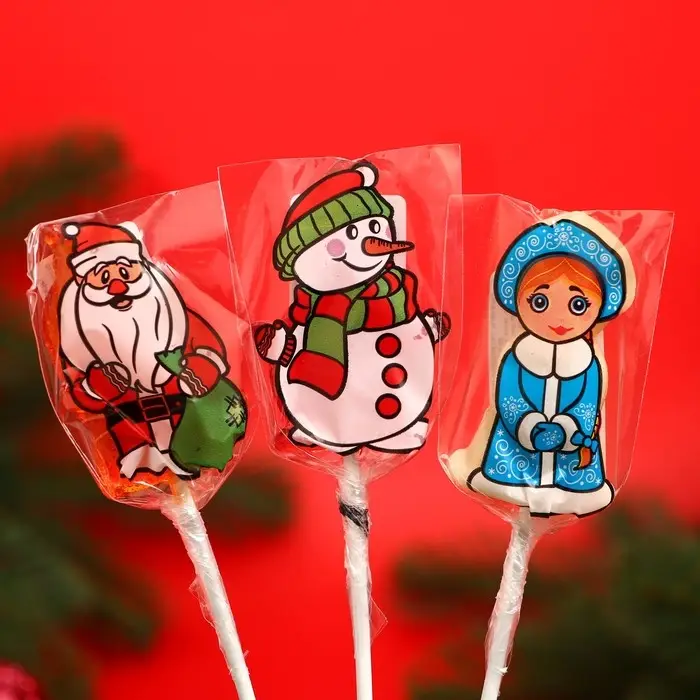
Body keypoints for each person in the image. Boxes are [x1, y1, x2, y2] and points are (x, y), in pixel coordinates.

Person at [468, 217, 629, 516]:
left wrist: (569, 430)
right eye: (540, 302)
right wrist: (528, 426)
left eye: (578, 305)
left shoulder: (588, 363)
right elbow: (508, 398)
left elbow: (588, 405)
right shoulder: (517, 357)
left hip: (571, 456)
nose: (559, 319)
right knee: (508, 472)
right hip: (515, 451)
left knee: (575, 477)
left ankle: (569, 489)